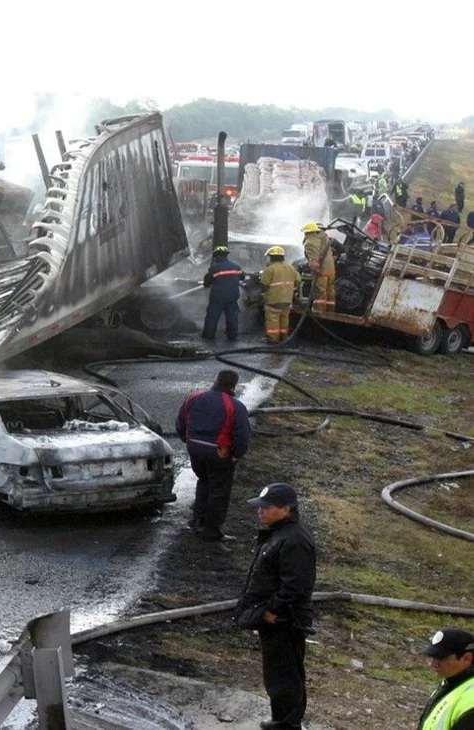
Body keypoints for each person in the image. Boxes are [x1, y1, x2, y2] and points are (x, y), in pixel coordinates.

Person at [237, 483, 316, 730]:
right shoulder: (279, 533)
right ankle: (282, 719)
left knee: (285, 675)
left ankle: (287, 724)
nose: (260, 512)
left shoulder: (294, 540)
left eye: (266, 507)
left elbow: (296, 585)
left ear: (286, 509)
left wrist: (273, 611)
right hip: (276, 618)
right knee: (277, 673)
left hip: (285, 620)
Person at [175, 369, 252, 542]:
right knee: (219, 490)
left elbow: (180, 421)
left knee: (203, 482)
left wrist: (186, 439)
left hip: (194, 448)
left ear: (215, 380)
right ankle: (212, 530)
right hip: (219, 452)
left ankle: (197, 520)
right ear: (234, 385)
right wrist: (236, 455)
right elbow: (243, 435)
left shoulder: (193, 397)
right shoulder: (235, 406)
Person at [417, 627, 474, 730]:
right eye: (432, 657)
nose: (433, 664)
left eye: (442, 658)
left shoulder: (470, 699)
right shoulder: (451, 682)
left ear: (467, 659)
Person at [201, 245, 244, 341]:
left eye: (215, 256)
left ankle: (208, 336)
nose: (215, 258)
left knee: (212, 317)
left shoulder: (215, 268)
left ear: (219, 256)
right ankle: (232, 336)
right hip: (232, 297)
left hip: (218, 298)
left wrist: (207, 284)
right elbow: (242, 277)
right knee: (232, 317)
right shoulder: (236, 266)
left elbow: (207, 281)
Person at [259, 246, 298, 343]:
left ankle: (273, 339)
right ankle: (283, 337)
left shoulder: (270, 269)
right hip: (287, 300)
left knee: (273, 320)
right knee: (284, 319)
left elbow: (264, 284)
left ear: (271, 257)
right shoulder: (291, 268)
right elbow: (298, 280)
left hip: (273, 300)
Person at [301, 222, 336, 313]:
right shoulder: (324, 238)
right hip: (330, 269)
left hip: (321, 270)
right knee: (330, 290)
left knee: (320, 290)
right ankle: (330, 310)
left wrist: (314, 269)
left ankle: (319, 310)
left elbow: (314, 258)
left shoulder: (310, 242)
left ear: (307, 232)